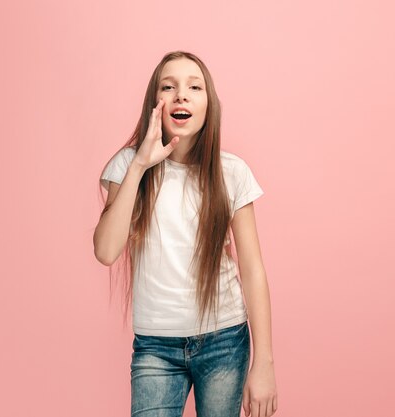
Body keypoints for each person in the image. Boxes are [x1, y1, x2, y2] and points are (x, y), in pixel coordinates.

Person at [93, 51, 278, 417]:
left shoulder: (232, 172)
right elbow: (106, 250)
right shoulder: (129, 165)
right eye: (169, 86)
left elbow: (253, 269)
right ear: (154, 103)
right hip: (155, 347)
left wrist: (265, 362)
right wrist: (141, 164)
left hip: (225, 340)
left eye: (194, 87)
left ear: (209, 104)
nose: (181, 95)